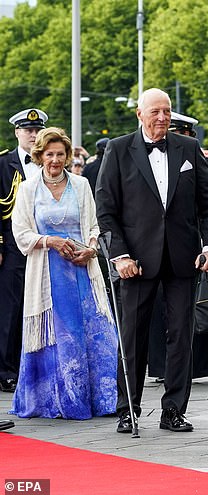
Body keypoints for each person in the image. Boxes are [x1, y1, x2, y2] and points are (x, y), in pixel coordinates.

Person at [96, 88, 208, 434]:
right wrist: (119, 256)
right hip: (135, 260)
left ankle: (174, 411)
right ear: (140, 114)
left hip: (183, 259)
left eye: (167, 111)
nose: (163, 118)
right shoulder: (119, 150)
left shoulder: (188, 148)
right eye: (156, 112)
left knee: (181, 335)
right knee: (133, 336)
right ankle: (128, 409)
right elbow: (106, 209)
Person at [10, 127, 117, 419]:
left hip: (81, 270)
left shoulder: (81, 184)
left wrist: (91, 250)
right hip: (47, 274)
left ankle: (98, 400)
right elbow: (20, 233)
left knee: (95, 335)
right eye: (49, 154)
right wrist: (50, 241)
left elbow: (94, 226)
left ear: (67, 156)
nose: (55, 160)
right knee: (57, 337)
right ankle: (56, 401)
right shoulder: (29, 188)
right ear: (40, 156)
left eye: (60, 154)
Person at [147, 110, 208, 384]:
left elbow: (207, 202)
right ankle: (163, 366)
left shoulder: (192, 157)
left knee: (198, 306)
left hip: (190, 241)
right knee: (160, 309)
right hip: (154, 244)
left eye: (178, 133)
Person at [0, 108, 48, 394]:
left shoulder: (50, 162)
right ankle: (6, 370)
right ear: (17, 132)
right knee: (10, 309)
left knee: (40, 307)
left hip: (43, 244)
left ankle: (33, 367)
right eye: (27, 130)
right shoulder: (4, 164)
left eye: (36, 130)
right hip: (12, 246)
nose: (32, 135)